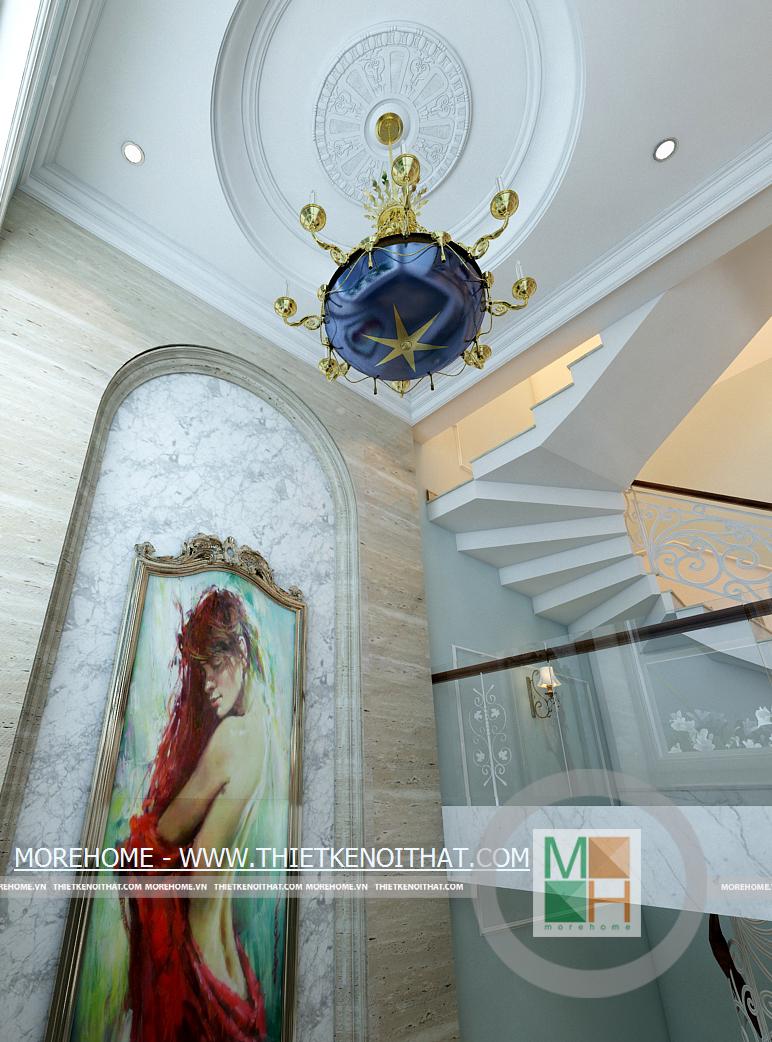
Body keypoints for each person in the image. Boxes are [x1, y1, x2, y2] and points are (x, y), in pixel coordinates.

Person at [122, 587, 269, 1042]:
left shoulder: (231, 739)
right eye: (201, 670)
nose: (206, 684)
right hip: (234, 976)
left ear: (241, 652)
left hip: (199, 974)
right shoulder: (264, 734)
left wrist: (136, 838)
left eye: (215, 665)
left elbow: (165, 834)